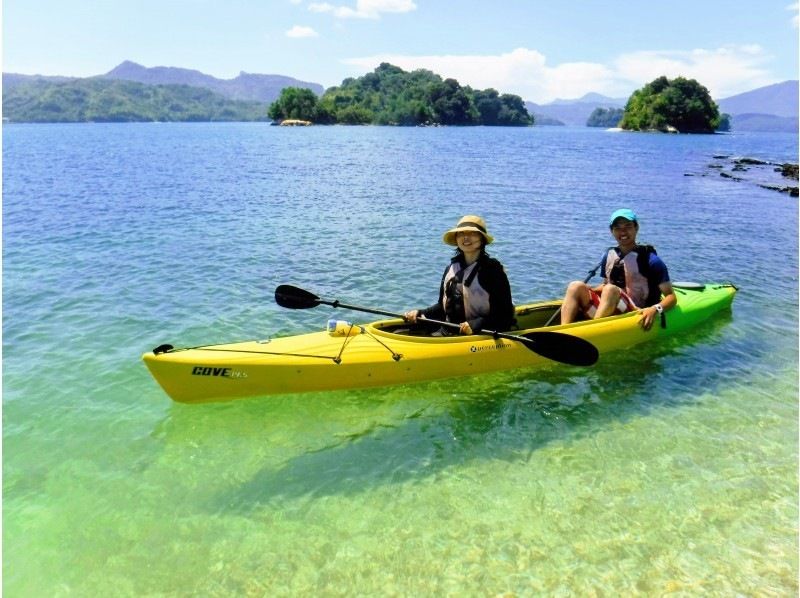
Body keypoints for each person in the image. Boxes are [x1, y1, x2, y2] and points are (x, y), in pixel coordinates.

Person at [560, 208, 677, 331]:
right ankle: (563, 331)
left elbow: (671, 297)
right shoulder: (609, 256)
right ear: (612, 231)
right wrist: (590, 290)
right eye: (618, 228)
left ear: (636, 228)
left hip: (635, 313)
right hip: (611, 309)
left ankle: (593, 332)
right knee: (575, 286)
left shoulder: (652, 261)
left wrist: (654, 309)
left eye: (628, 226)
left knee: (610, 289)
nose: (623, 232)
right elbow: (606, 285)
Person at [404, 215, 515, 335]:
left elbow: (506, 315)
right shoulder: (451, 269)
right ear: (456, 239)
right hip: (449, 332)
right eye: (461, 234)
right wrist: (421, 312)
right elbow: (442, 307)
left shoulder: (493, 271)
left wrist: (476, 324)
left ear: (482, 239)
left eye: (472, 233)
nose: (466, 238)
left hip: (480, 336)